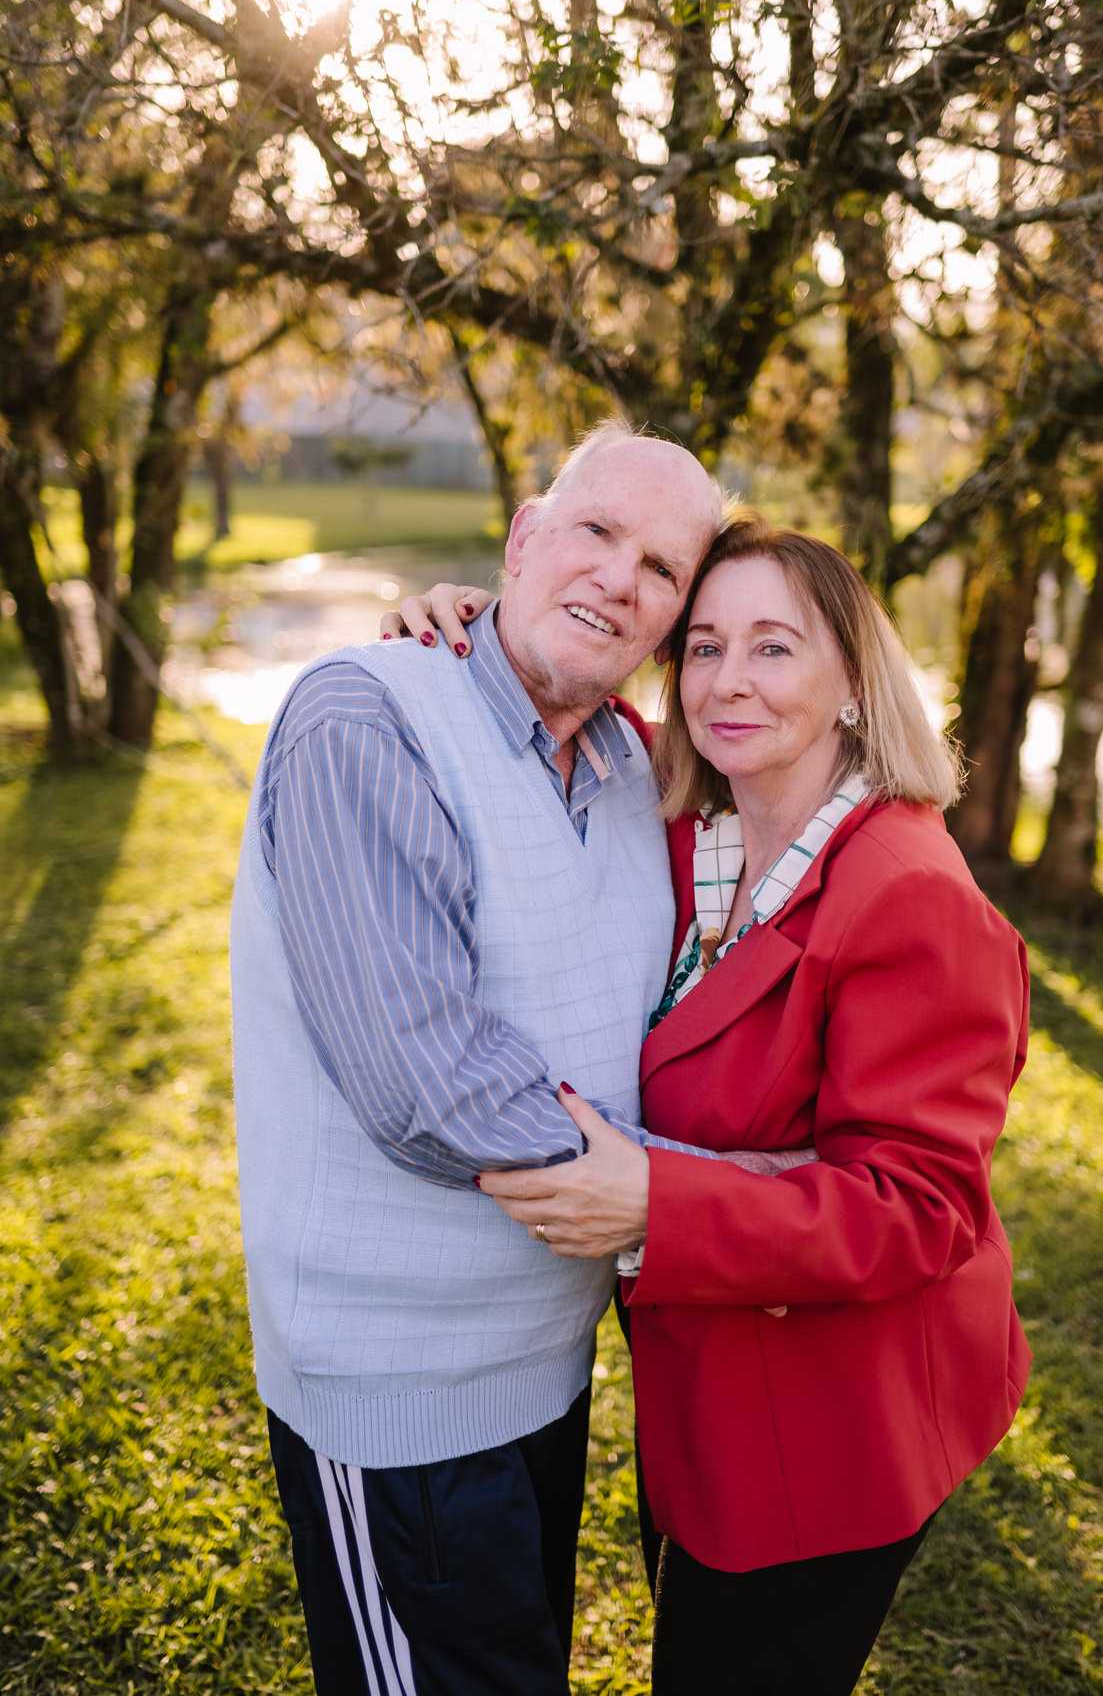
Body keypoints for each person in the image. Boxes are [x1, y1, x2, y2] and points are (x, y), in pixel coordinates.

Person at [475, 515, 1032, 1696]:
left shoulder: (909, 898)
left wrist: (651, 1204)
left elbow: (920, 1207)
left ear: (850, 682)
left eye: (774, 648)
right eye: (706, 646)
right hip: (714, 1394)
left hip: (831, 1428)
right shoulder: (700, 829)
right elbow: (565, 693)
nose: (730, 681)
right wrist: (466, 620)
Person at [229, 419, 726, 1696]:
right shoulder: (367, 714)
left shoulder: (631, 768)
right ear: (520, 538)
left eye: (663, 570)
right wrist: (705, 1203)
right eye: (596, 532)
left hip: (545, 1369)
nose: (622, 578)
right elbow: (424, 1079)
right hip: (395, 1389)